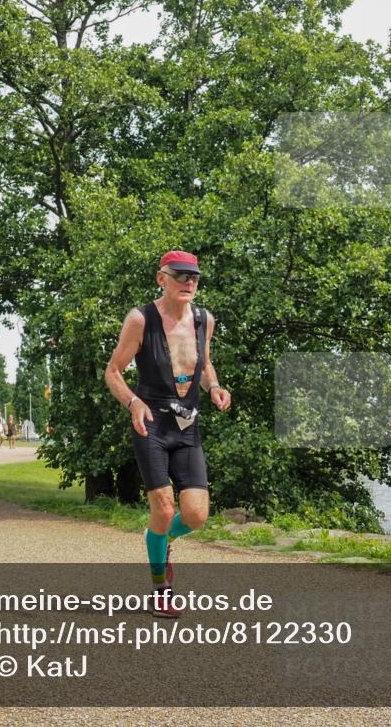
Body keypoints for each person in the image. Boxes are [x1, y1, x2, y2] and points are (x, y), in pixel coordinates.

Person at [105, 250, 231, 618]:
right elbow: (113, 371)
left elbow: (204, 366)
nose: (189, 282)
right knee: (163, 508)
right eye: (180, 275)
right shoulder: (140, 319)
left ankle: (158, 538)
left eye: (194, 276)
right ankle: (161, 590)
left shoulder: (204, 320)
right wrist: (133, 403)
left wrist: (214, 387)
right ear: (162, 278)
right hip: (152, 424)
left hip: (187, 426)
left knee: (196, 516)